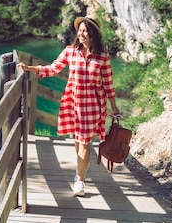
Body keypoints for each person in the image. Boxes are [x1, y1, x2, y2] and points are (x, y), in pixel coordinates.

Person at [19, 15, 120, 197]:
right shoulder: (70, 51)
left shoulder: (102, 57)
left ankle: (79, 181)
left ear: (93, 34)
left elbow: (108, 83)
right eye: (80, 30)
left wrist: (114, 106)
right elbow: (53, 68)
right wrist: (31, 69)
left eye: (85, 31)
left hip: (93, 105)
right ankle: (80, 171)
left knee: (85, 143)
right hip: (73, 103)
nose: (81, 34)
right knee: (78, 141)